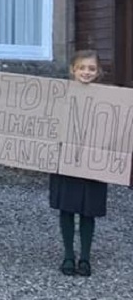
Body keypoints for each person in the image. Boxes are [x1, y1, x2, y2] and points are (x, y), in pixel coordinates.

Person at [50, 50, 108, 277]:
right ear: (73, 70)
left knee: (88, 211)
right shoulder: (59, 95)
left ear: (98, 72)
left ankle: (85, 257)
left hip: (93, 163)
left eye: (91, 69)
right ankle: (68, 255)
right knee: (67, 208)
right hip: (66, 160)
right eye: (82, 68)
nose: (86, 72)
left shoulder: (109, 98)